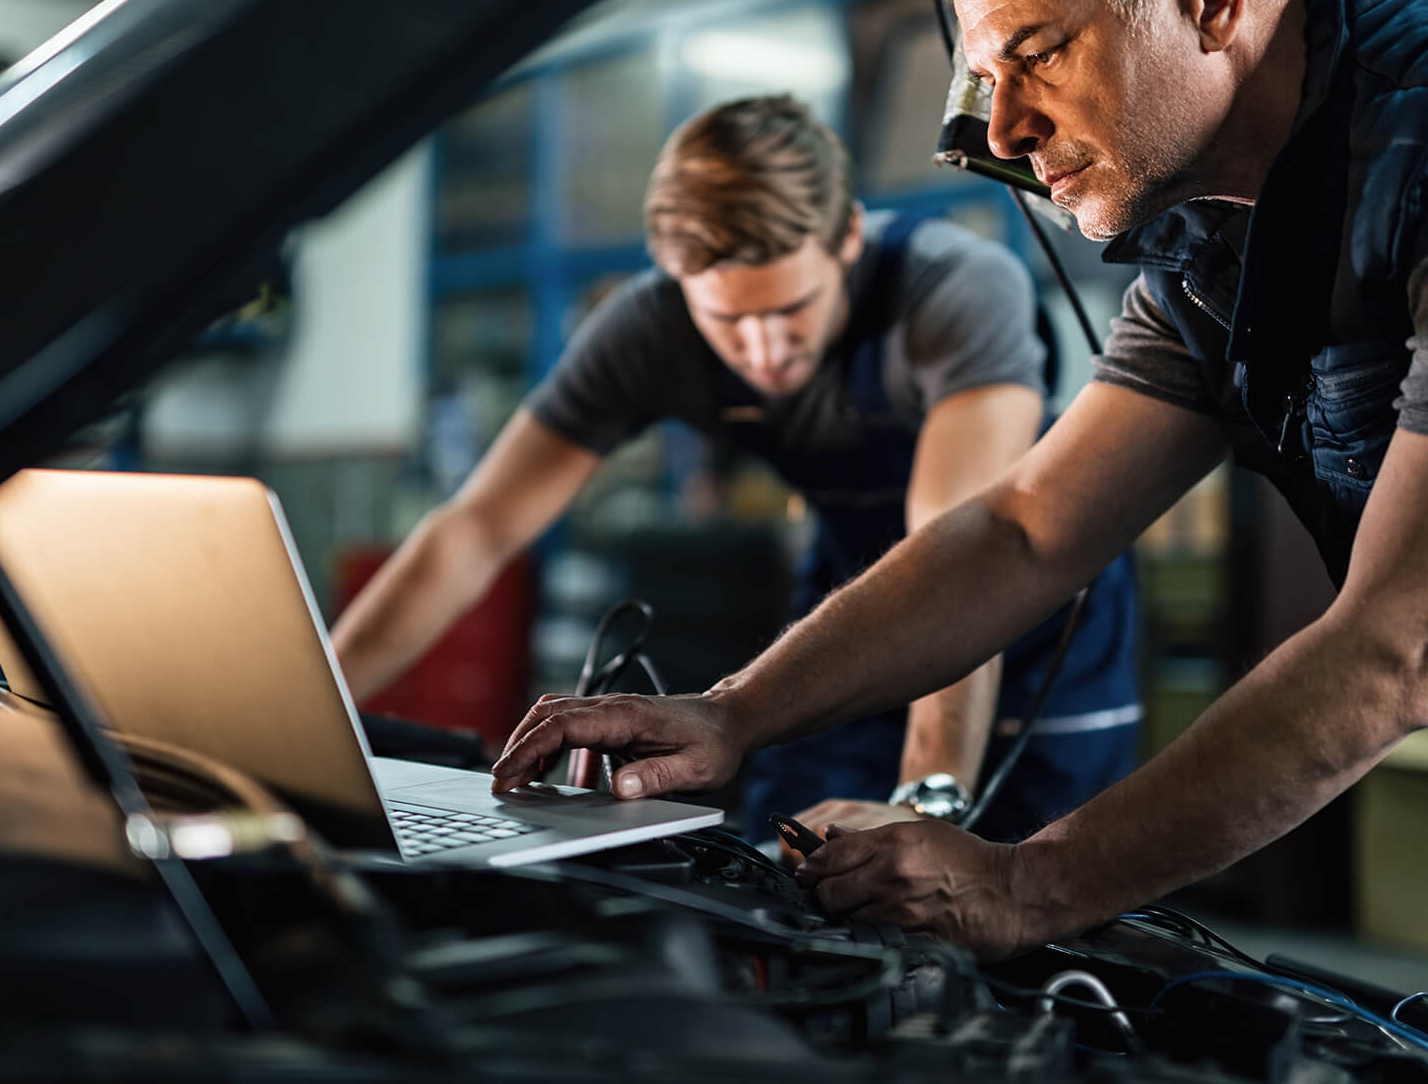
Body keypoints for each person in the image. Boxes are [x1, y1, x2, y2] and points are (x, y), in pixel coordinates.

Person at [489, 0, 1428, 1058]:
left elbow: (1412, 637)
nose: (999, 131)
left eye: (1039, 54)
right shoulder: (1212, 245)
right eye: (983, 79)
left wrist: (1026, 885)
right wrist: (732, 712)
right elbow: (1025, 530)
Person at [333, 94, 1143, 846]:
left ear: (847, 241)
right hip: (853, 602)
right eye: (728, 322)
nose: (762, 351)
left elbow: (967, 552)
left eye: (790, 311)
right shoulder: (648, 328)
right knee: (788, 875)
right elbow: (473, 530)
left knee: (1027, 897)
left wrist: (920, 803)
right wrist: (309, 714)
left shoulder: (955, 290)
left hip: (1032, 613)